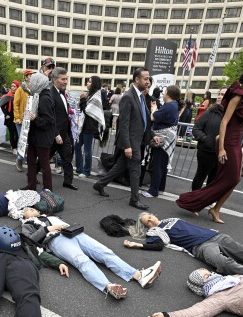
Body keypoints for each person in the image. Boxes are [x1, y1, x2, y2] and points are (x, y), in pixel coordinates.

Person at [175, 68, 243, 224]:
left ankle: (215, 208)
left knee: (234, 178)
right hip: (229, 141)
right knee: (231, 178)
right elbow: (224, 122)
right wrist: (222, 148)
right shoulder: (239, 95)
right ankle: (198, 203)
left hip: (236, 139)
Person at [20, 206, 162, 298]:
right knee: (81, 260)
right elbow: (30, 240)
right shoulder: (27, 224)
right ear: (24, 216)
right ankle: (108, 286)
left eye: (32, 208)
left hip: (74, 233)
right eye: (27, 210)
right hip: (55, 241)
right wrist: (46, 229)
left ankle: (138, 275)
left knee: (105, 252)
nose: (30, 210)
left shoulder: (50, 214)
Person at [93, 68, 154, 210]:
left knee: (120, 166)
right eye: (145, 78)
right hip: (131, 142)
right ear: (137, 80)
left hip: (138, 141)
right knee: (135, 170)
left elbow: (143, 121)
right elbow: (124, 124)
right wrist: (127, 146)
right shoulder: (128, 96)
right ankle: (134, 199)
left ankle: (99, 184)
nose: (148, 81)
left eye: (148, 78)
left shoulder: (141, 96)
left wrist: (153, 136)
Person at [142, 85, 180, 199]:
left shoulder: (169, 106)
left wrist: (153, 109)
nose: (163, 94)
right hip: (168, 138)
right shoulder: (173, 106)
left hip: (163, 138)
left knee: (158, 165)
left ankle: (153, 191)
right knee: (162, 165)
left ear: (168, 94)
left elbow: (153, 117)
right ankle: (160, 187)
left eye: (164, 92)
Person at [24, 72, 56, 191]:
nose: (30, 84)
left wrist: (34, 118)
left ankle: (48, 190)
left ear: (38, 83)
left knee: (44, 164)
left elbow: (48, 121)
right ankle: (31, 187)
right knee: (31, 162)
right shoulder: (37, 95)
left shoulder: (45, 98)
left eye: (32, 82)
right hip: (35, 136)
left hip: (42, 137)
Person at [48, 67, 78, 190]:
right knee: (45, 158)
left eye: (67, 79)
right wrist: (56, 134)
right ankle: (32, 175)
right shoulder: (50, 94)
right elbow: (50, 116)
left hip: (64, 133)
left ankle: (68, 181)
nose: (66, 81)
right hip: (54, 134)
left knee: (67, 157)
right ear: (55, 80)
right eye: (63, 79)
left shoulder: (63, 93)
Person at [191, 88, 226, 190]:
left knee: (214, 179)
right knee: (200, 176)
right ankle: (193, 199)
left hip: (222, 153)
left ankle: (206, 200)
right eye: (219, 94)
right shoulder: (210, 112)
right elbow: (196, 128)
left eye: (223, 94)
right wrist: (206, 139)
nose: (219, 96)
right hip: (206, 151)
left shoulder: (232, 115)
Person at [74, 75, 106, 178]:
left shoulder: (96, 96)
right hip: (83, 125)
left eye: (89, 81)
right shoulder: (90, 94)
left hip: (90, 126)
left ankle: (86, 171)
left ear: (94, 84)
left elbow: (87, 110)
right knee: (77, 146)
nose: (87, 83)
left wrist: (83, 100)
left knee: (87, 150)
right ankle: (79, 169)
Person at [13, 69, 34, 171]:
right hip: (21, 120)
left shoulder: (33, 89)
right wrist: (17, 118)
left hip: (30, 119)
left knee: (29, 141)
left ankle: (25, 158)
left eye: (32, 75)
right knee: (22, 141)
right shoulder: (20, 89)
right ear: (25, 77)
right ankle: (19, 159)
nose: (31, 77)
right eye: (30, 75)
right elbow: (15, 104)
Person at [0, 81, 20, 155]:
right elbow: (2, 106)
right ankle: (14, 148)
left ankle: (16, 147)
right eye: (12, 86)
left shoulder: (19, 95)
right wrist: (6, 114)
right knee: (12, 133)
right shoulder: (7, 96)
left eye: (14, 86)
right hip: (9, 117)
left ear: (17, 87)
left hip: (17, 116)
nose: (12, 88)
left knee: (17, 134)